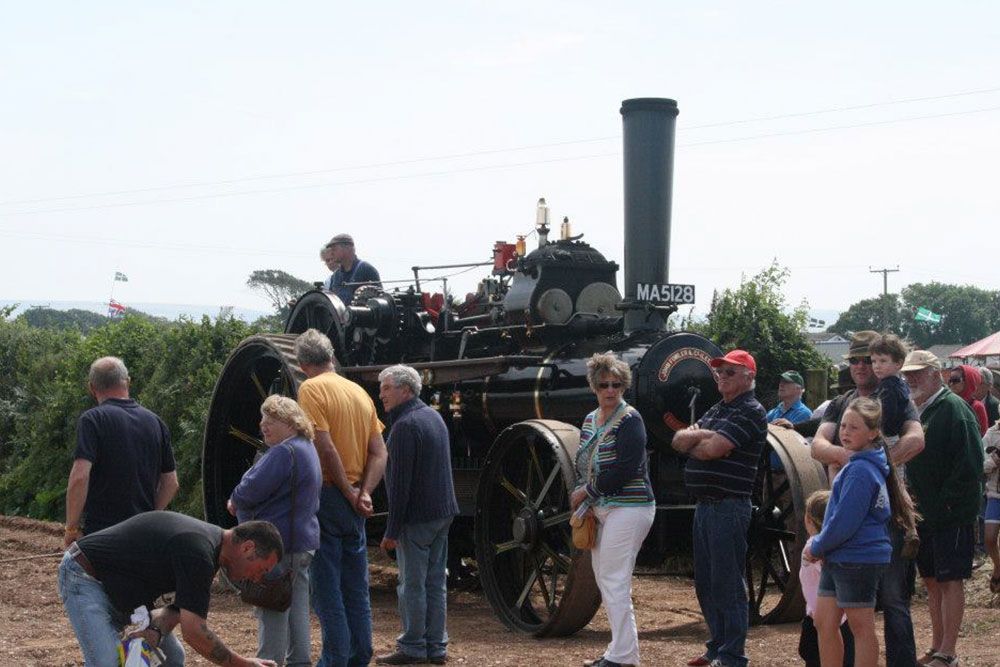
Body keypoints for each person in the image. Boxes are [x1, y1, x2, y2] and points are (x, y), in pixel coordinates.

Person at [810, 331, 925, 667]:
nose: (863, 366)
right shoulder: (840, 403)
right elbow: (818, 446)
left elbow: (916, 440)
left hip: (885, 516)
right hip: (847, 509)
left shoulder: (897, 396)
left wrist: (872, 467)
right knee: (839, 614)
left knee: (892, 601)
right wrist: (857, 457)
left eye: (871, 360)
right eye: (858, 360)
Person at [58, 511, 282, 667]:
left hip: (124, 594)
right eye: (261, 570)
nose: (256, 578)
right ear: (247, 547)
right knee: (107, 662)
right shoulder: (198, 551)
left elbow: (176, 609)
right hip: (85, 576)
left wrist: (155, 631)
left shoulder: (211, 555)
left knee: (171, 658)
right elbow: (194, 632)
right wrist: (242, 664)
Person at [294, 328, 388, 667]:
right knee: (355, 586)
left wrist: (348, 492)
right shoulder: (360, 393)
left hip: (330, 495)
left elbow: (323, 444)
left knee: (327, 587)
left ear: (303, 364)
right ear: (331, 357)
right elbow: (379, 451)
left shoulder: (310, 389)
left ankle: (334, 659)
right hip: (356, 501)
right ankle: (359, 655)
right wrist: (365, 493)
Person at [672, 349, 767, 667]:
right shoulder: (716, 410)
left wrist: (699, 439)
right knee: (707, 582)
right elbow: (677, 441)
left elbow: (712, 449)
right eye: (719, 372)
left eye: (730, 372)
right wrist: (704, 435)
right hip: (706, 506)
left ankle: (733, 655)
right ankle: (716, 647)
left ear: (749, 377)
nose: (722, 377)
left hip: (729, 506)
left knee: (728, 581)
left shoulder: (752, 410)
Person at [901, 350, 985, 667]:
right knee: (933, 581)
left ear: (936, 373)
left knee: (950, 581)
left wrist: (948, 502)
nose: (911, 379)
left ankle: (948, 652)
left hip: (950, 513)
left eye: (918, 373)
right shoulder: (920, 410)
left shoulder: (953, 408)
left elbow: (971, 463)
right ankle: (937, 646)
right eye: (908, 374)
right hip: (926, 513)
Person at [569, 352, 655, 667]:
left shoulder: (631, 419)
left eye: (616, 384)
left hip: (631, 507)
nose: (610, 390)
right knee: (604, 577)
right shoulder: (590, 419)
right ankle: (621, 651)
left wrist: (588, 492)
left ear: (624, 386)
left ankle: (623, 656)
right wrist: (585, 500)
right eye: (604, 384)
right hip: (602, 507)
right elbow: (583, 464)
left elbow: (627, 467)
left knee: (614, 578)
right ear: (594, 385)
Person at [227, 395, 322, 667]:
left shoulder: (283, 452)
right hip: (304, 541)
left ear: (290, 423)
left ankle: (269, 662)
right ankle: (299, 662)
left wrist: (235, 499)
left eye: (270, 420)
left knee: (271, 608)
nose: (263, 425)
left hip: (276, 544)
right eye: (263, 419)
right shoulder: (307, 447)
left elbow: (248, 491)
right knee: (298, 609)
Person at [375, 365, 460, 666]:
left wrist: (391, 531)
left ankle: (412, 646)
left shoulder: (404, 427)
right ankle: (436, 647)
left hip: (418, 517)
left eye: (387, 388)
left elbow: (400, 486)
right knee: (435, 583)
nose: (381, 394)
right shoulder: (433, 416)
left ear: (406, 390)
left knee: (411, 584)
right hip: (442, 512)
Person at [64, 356, 178, 547]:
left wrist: (71, 529)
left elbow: (79, 477)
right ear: (128, 382)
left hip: (102, 534)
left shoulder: (92, 420)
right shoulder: (156, 422)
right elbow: (171, 482)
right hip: (142, 534)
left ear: (92, 388)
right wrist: (148, 516)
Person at [798, 490, 855, 667]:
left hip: (820, 619)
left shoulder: (812, 546)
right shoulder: (843, 545)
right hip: (845, 618)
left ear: (808, 519)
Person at [868, 333, 910, 440]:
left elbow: (886, 417)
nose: (877, 366)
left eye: (883, 361)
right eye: (873, 361)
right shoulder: (900, 383)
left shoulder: (888, 388)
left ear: (898, 363)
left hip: (886, 437)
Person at [322, 233, 381, 304]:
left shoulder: (366, 270)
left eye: (334, 249)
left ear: (347, 248)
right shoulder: (335, 276)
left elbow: (380, 302)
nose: (331, 253)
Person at [983, 417, 1000, 593]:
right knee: (989, 538)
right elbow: (979, 464)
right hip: (995, 494)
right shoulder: (991, 434)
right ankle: (998, 566)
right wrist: (993, 461)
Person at [947, 364, 989, 436]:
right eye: (950, 380)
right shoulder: (947, 403)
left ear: (968, 381)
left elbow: (982, 435)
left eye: (955, 380)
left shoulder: (977, 407)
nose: (951, 384)